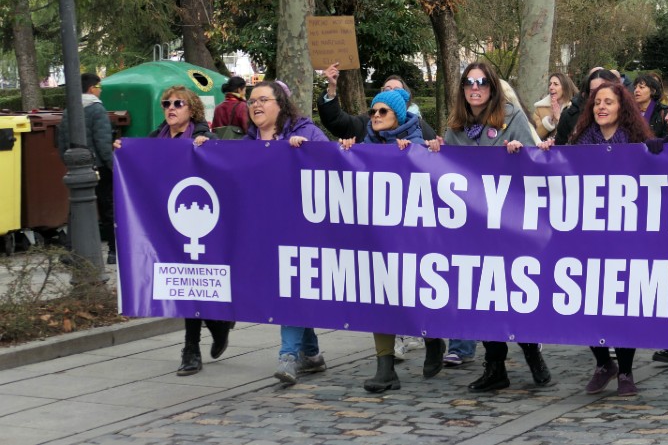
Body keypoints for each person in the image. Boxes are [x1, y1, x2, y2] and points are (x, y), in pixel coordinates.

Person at [197, 80, 330, 386]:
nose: (255, 105)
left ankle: (287, 355)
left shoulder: (306, 132)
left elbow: (333, 165)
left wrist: (309, 153)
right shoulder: (247, 143)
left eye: (263, 99)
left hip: (301, 230)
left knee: (291, 287)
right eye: (252, 100)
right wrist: (207, 151)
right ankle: (310, 354)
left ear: (281, 104)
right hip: (264, 232)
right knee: (289, 289)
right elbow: (228, 170)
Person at [432, 62, 552, 392]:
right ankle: (495, 365)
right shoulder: (456, 126)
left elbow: (537, 162)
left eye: (482, 82)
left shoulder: (511, 117)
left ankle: (532, 353)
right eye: (469, 82)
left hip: (509, 224)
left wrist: (519, 153)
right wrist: (433, 153)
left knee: (513, 294)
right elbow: (450, 171)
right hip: (473, 228)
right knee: (482, 297)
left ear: (492, 88)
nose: (475, 88)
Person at [540, 81, 651, 396]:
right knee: (587, 301)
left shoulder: (636, 141)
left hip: (624, 236)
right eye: (597, 102)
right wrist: (548, 152)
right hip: (586, 237)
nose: (602, 107)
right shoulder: (580, 142)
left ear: (621, 108)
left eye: (609, 102)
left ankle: (626, 370)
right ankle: (604, 363)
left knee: (620, 303)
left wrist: (658, 151)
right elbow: (560, 175)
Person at [118, 86, 233, 376]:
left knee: (193, 282)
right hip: (168, 224)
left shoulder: (204, 137)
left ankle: (193, 346)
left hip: (200, 223)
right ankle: (213, 328)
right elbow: (140, 168)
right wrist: (123, 152)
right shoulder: (156, 139)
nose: (171, 108)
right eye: (166, 103)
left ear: (191, 109)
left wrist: (206, 149)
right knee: (183, 284)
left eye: (178, 103)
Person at [337, 88, 435, 392]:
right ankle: (385, 368)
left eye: (383, 112)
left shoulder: (416, 142)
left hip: (412, 239)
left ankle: (434, 342)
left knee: (417, 298)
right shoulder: (366, 145)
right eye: (373, 111)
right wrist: (347, 150)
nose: (375, 116)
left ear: (398, 116)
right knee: (380, 298)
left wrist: (412, 154)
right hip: (378, 238)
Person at [56, 73, 116, 264]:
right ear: (92, 88)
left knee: (76, 209)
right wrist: (112, 165)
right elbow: (103, 142)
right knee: (107, 208)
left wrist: (70, 164)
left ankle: (71, 250)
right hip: (99, 167)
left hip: (75, 168)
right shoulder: (97, 110)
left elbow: (62, 142)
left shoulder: (69, 110)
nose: (100, 91)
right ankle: (114, 251)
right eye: (100, 88)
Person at [317, 62, 436, 142]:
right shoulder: (366, 123)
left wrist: (436, 147)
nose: (377, 115)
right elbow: (337, 122)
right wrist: (332, 88)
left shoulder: (420, 129)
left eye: (397, 90)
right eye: (387, 89)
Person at [554, 68, 620, 144]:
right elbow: (560, 151)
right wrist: (549, 147)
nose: (598, 95)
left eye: (602, 89)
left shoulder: (631, 131)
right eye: (593, 92)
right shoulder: (577, 124)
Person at [532, 72, 578, 140]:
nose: (551, 87)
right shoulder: (540, 109)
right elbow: (534, 137)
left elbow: (575, 135)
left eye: (556, 84)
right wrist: (549, 122)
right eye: (550, 84)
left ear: (565, 88)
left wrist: (559, 117)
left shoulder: (575, 107)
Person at [632, 72, 668, 138]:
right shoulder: (630, 112)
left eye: (641, 87)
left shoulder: (664, 111)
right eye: (635, 88)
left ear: (653, 91)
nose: (636, 90)